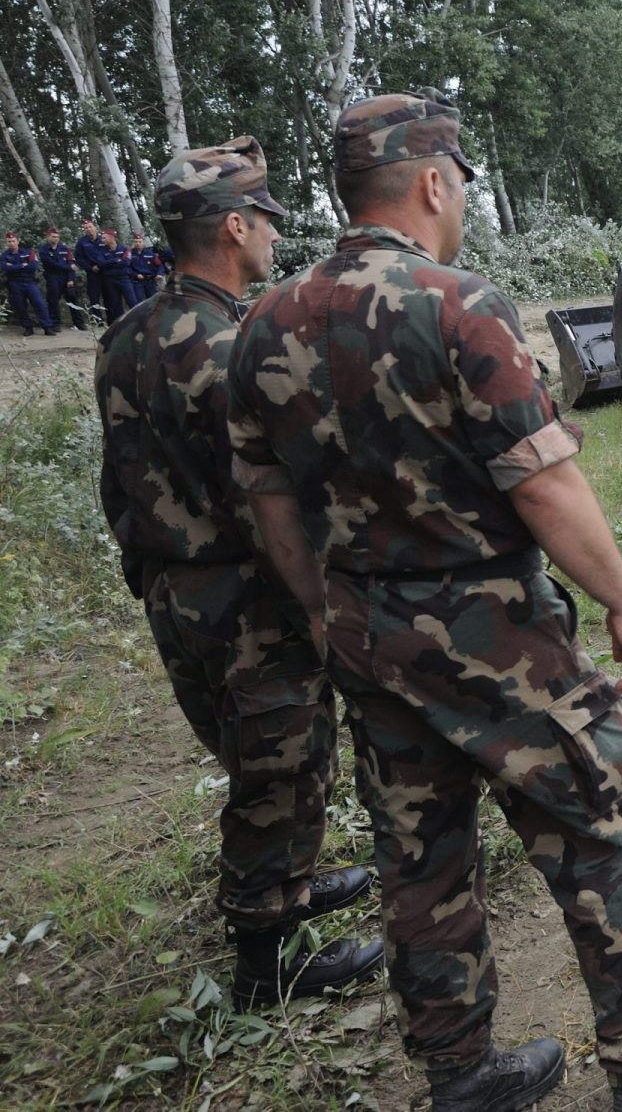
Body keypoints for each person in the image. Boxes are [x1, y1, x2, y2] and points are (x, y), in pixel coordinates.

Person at [227, 89, 622, 1112]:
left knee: (419, 858)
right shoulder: (457, 306)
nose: (461, 198)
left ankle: (463, 1080)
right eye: (459, 181)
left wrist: (324, 611)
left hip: (364, 633)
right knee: (600, 818)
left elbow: (269, 506)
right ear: (433, 181)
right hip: (493, 633)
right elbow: (544, 482)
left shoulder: (263, 324)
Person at [94, 137, 386, 1007]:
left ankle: (289, 887)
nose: (270, 236)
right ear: (232, 226)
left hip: (171, 587)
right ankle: (269, 957)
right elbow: (278, 489)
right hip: (243, 591)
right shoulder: (234, 343)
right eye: (263, 219)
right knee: (279, 761)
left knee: (256, 747)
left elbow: (121, 476)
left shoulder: (126, 334)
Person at [3, 230, 56, 335]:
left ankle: (47, 327)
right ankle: (28, 328)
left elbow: (33, 266)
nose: (11, 243)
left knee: (39, 303)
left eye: (13, 241)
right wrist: (22, 266)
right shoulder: (4, 256)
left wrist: (14, 267)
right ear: (6, 243)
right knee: (20, 306)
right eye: (9, 241)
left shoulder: (28, 252)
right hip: (15, 284)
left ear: (18, 241)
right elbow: (6, 268)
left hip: (30, 282)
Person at [38, 225, 84, 331]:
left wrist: (71, 278)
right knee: (53, 300)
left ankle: (79, 323)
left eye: (57, 237)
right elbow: (51, 264)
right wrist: (68, 266)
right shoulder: (44, 250)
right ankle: (55, 324)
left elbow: (71, 263)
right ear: (48, 237)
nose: (56, 239)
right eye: (53, 237)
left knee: (72, 299)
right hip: (52, 277)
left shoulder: (64, 249)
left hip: (66, 277)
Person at [97, 224, 140, 324]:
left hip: (124, 278)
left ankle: (138, 321)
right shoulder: (102, 251)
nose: (102, 240)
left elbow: (126, 262)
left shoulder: (124, 249)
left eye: (104, 238)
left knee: (132, 301)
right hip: (110, 280)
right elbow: (101, 263)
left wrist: (111, 262)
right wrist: (117, 260)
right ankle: (120, 324)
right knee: (115, 304)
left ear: (111, 238)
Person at [74, 217, 107, 325]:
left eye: (90, 227)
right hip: (92, 273)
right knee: (94, 298)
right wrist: (90, 267)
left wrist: (102, 265)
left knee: (110, 296)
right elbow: (79, 258)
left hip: (107, 272)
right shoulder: (82, 242)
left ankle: (112, 320)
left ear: (95, 227)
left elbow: (110, 252)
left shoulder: (104, 238)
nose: (88, 229)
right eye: (86, 228)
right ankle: (98, 321)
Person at [129, 231, 166, 300]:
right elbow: (128, 267)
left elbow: (160, 265)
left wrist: (159, 274)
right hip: (137, 281)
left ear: (143, 242)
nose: (138, 244)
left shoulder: (150, 253)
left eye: (140, 242)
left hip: (150, 281)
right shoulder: (130, 254)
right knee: (139, 301)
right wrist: (135, 275)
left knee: (153, 300)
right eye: (136, 242)